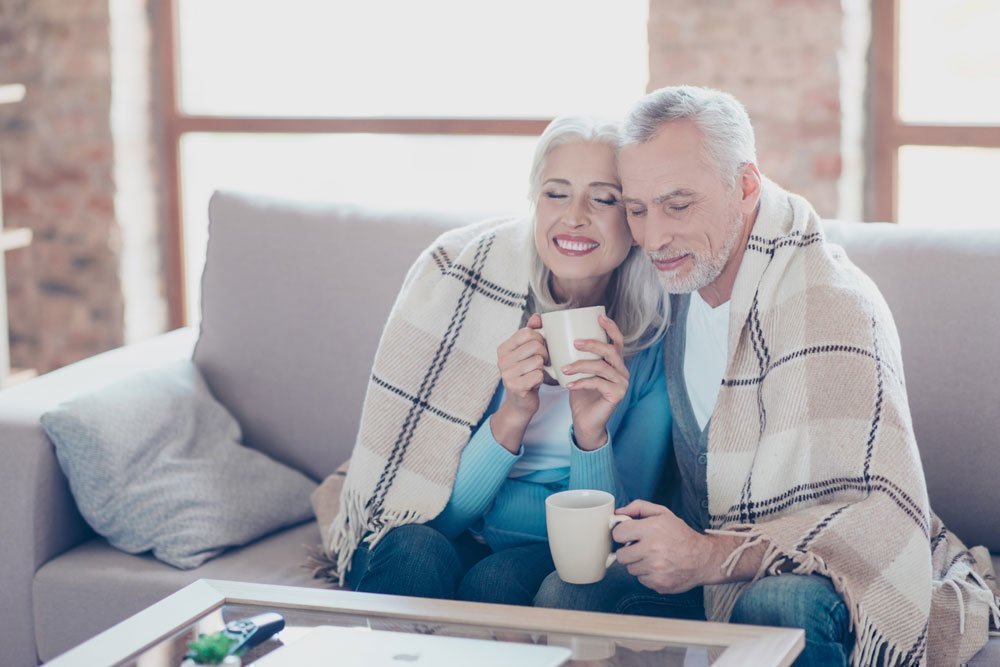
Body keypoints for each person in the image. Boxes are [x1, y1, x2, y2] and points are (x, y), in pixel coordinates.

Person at [533, 86, 999, 666]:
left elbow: (875, 521)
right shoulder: (664, 290)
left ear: (746, 186)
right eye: (637, 208)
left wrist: (711, 556)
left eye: (678, 205)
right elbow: (554, 232)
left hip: (811, 574)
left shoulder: (831, 305)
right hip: (701, 561)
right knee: (566, 593)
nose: (653, 238)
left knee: (779, 606)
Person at [311, 115, 674, 607]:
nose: (574, 216)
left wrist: (591, 432)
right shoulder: (475, 307)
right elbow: (434, 516)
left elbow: (608, 536)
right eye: (556, 193)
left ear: (632, 218)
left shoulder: (651, 346)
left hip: (547, 546)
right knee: (412, 549)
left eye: (604, 198)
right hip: (446, 523)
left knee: (497, 584)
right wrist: (512, 414)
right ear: (534, 204)